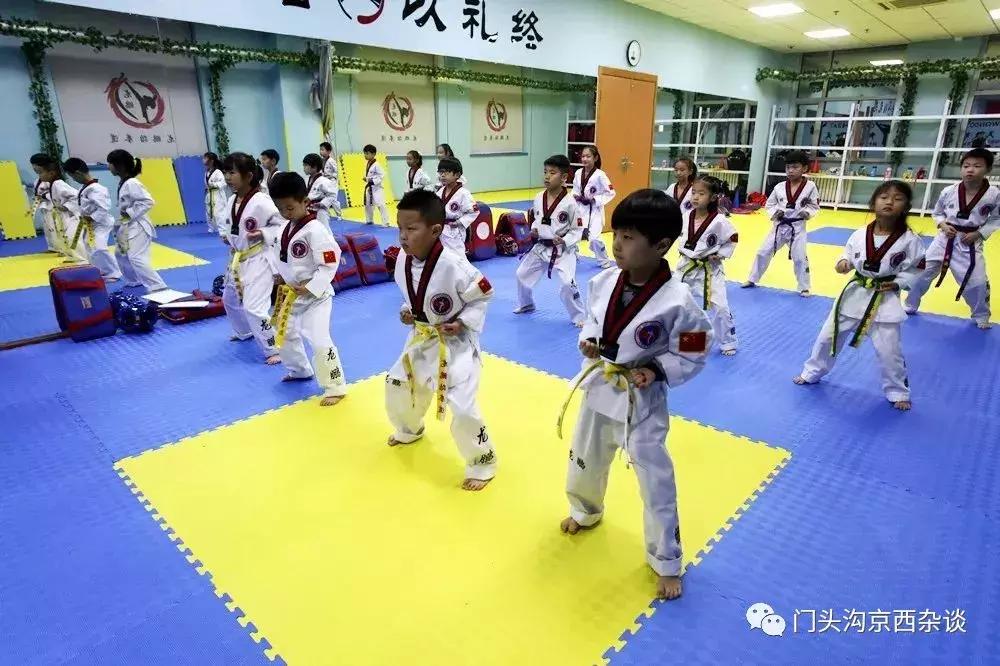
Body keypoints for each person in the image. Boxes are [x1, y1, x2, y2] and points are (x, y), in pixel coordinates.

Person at [559, 189, 713, 601]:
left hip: (641, 400)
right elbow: (593, 320)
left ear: (661, 245)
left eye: (629, 237)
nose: (617, 243)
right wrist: (591, 341)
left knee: (654, 478)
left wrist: (656, 368)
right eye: (617, 233)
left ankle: (666, 558)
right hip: (598, 386)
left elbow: (695, 349)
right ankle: (585, 510)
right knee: (585, 456)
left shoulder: (679, 301)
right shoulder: (604, 279)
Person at [385, 189, 497, 491]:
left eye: (411, 229)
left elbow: (484, 294)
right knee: (397, 383)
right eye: (400, 229)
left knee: (461, 405)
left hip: (455, 344)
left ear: (436, 230)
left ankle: (482, 461)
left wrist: (462, 322)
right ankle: (409, 428)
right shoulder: (402, 262)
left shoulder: (456, 265)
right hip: (421, 337)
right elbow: (413, 297)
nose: (403, 237)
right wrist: (408, 312)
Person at [794, 181, 926, 410]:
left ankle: (897, 391)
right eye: (884, 197)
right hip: (854, 296)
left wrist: (899, 283)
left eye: (897, 198)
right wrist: (842, 263)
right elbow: (846, 255)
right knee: (827, 338)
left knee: (889, 351)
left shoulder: (910, 240)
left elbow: (918, 268)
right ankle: (812, 371)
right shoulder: (859, 234)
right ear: (873, 202)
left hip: (884, 300)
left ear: (906, 206)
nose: (889, 202)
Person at [268, 172, 348, 406]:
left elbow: (331, 261)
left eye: (290, 208)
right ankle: (299, 370)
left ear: (305, 202)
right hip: (291, 295)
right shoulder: (285, 228)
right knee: (284, 334)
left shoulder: (316, 230)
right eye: (280, 208)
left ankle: (335, 386)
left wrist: (312, 286)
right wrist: (280, 277)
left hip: (317, 297)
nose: (285, 213)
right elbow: (283, 258)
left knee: (319, 337)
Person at [904, 148, 1000, 329]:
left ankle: (981, 315)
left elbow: (996, 219)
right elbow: (938, 212)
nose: (970, 170)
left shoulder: (994, 194)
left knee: (977, 281)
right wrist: (942, 224)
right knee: (921, 272)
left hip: (969, 242)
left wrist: (979, 233)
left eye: (977, 166)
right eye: (966, 166)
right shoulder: (949, 191)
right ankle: (910, 304)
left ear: (988, 169)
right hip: (944, 239)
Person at [221, 152, 285, 364]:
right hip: (237, 259)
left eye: (232, 172)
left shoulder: (261, 201)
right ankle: (244, 331)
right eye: (225, 172)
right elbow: (230, 224)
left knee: (254, 307)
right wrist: (227, 236)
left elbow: (283, 225)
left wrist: (263, 234)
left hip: (259, 258)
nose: (227, 177)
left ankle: (273, 347)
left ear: (248, 176)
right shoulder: (231, 199)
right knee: (229, 300)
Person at [513, 154, 586, 326]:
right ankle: (527, 304)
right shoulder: (539, 197)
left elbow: (578, 229)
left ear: (564, 178)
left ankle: (580, 316)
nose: (546, 176)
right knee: (521, 274)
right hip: (541, 247)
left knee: (568, 284)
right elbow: (537, 219)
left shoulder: (570, 203)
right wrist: (534, 231)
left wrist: (566, 240)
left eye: (552, 173)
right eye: (545, 172)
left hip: (562, 250)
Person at [676, 175, 739, 355]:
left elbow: (732, 239)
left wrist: (721, 254)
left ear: (712, 198)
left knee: (720, 307)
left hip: (709, 270)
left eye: (701, 194)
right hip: (686, 267)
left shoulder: (720, 221)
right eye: (693, 192)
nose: (695, 197)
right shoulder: (686, 215)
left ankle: (728, 341)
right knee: (678, 304)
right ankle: (684, 341)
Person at [743, 150, 819, 296]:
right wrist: (775, 213)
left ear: (804, 168)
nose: (790, 171)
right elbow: (769, 204)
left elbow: (814, 205)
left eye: (795, 167)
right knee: (763, 252)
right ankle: (752, 279)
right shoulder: (779, 187)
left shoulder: (810, 187)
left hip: (797, 228)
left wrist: (807, 213)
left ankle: (804, 287)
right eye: (788, 167)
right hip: (779, 225)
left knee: (799, 257)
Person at [106, 149, 168, 292]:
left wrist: (128, 214)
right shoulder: (124, 182)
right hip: (127, 224)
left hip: (138, 225)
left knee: (136, 257)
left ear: (119, 165)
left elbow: (148, 201)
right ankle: (134, 280)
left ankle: (158, 286)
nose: (108, 167)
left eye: (110, 163)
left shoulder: (132, 183)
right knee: (120, 254)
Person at [63, 157, 122, 281]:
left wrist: (91, 217)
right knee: (89, 247)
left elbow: (103, 208)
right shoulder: (84, 188)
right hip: (89, 223)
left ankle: (113, 273)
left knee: (99, 247)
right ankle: (99, 270)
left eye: (72, 176)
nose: (73, 179)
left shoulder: (97, 189)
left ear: (77, 173)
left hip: (101, 223)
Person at [573, 145, 616, 269]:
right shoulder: (578, 173)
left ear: (595, 158)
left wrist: (595, 199)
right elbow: (575, 190)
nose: (585, 159)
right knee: (574, 234)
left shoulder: (600, 175)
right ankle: (572, 256)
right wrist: (576, 197)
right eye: (583, 156)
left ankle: (604, 260)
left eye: (588, 156)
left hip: (595, 210)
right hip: (580, 208)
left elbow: (611, 192)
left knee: (594, 238)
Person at [38, 156, 88, 264]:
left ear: (51, 173)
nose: (39, 176)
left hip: (73, 216)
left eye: (41, 173)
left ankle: (83, 260)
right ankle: (72, 256)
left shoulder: (58, 183)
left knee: (72, 238)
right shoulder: (52, 185)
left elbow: (76, 195)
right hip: (63, 216)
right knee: (64, 237)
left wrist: (66, 206)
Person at [435, 157, 478, 263]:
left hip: (454, 231)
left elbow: (474, 211)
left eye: (447, 172)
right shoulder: (440, 191)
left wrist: (459, 222)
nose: (443, 175)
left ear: (457, 175)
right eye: (441, 173)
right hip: (440, 230)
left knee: (458, 259)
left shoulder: (463, 193)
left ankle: (466, 277)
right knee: (442, 258)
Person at [302, 153, 340, 232]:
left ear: (314, 167)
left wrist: (322, 203)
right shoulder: (307, 180)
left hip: (320, 210)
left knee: (325, 231)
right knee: (313, 231)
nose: (304, 168)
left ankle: (331, 244)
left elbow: (332, 195)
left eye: (306, 165)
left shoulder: (324, 181)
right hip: (310, 209)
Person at [28, 153, 58, 253]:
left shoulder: (52, 180)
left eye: (35, 165)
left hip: (53, 206)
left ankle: (60, 248)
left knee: (54, 227)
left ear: (41, 165)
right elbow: (38, 192)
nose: (33, 167)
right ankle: (52, 247)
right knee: (47, 227)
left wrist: (44, 196)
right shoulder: (38, 180)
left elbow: (55, 194)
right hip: (44, 207)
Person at [362, 144, 390, 226]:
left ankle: (386, 222)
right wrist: (367, 179)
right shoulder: (369, 163)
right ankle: (369, 220)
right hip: (370, 187)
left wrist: (371, 180)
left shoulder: (376, 164)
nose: (365, 155)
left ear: (373, 154)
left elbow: (382, 175)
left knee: (380, 204)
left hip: (377, 188)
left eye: (367, 153)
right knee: (367, 204)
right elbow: (371, 175)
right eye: (365, 153)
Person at [204, 152, 228, 234]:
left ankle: (222, 229)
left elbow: (223, 183)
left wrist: (213, 184)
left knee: (218, 212)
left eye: (205, 158)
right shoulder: (207, 172)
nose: (203, 160)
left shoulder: (218, 172)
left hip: (217, 194)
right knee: (209, 211)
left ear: (211, 161)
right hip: (209, 194)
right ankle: (211, 228)